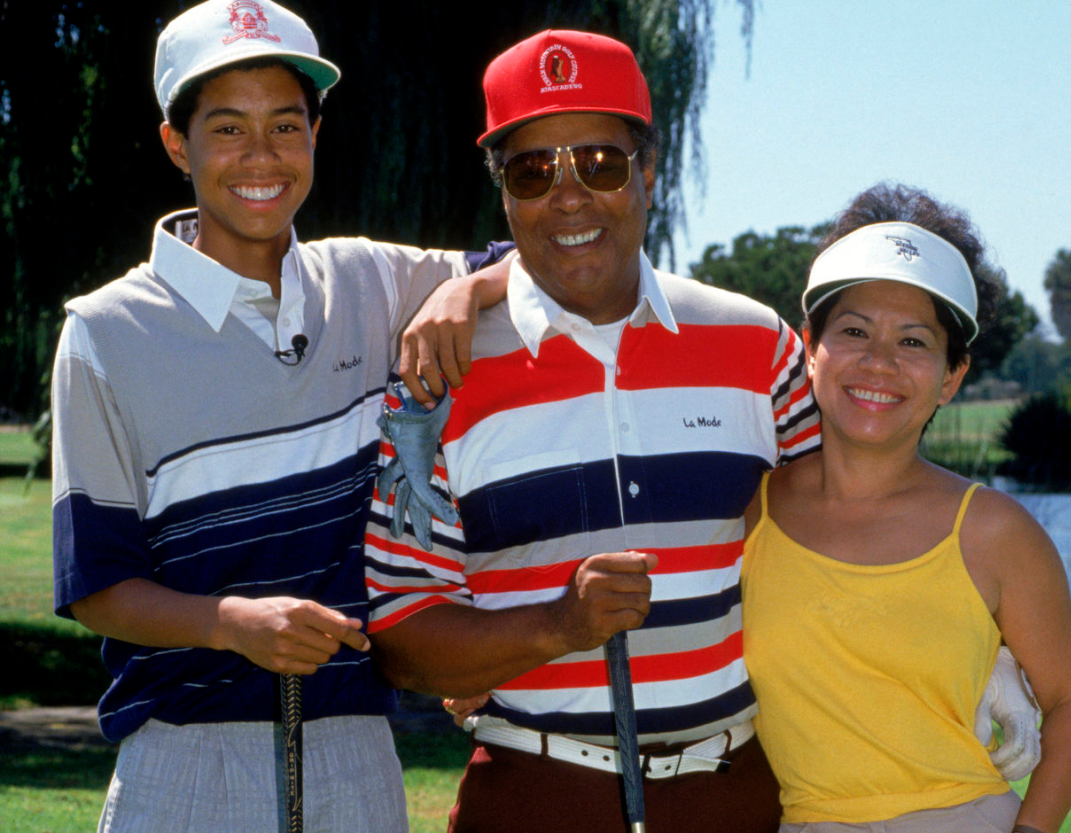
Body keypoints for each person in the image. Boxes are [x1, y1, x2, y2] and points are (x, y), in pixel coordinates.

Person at [50, 2, 505, 831]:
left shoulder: (369, 280)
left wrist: (465, 287)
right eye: (227, 129)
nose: (261, 156)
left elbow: (540, 266)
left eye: (285, 126)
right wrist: (227, 622)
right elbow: (98, 585)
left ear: (315, 136)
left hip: (357, 751)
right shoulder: (103, 332)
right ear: (176, 145)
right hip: (183, 761)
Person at [363, 28, 820, 833]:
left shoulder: (761, 347)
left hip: (734, 792)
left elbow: (845, 551)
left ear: (648, 171)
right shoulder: (432, 383)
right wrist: (557, 626)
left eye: (600, 164)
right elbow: (402, 636)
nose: (568, 196)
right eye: (533, 171)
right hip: (534, 794)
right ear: (503, 193)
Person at [740, 184, 1071, 833]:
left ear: (952, 376)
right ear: (809, 347)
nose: (879, 361)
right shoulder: (751, 513)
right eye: (853, 330)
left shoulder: (995, 532)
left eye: (914, 342)